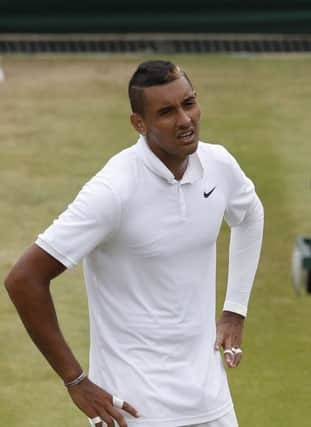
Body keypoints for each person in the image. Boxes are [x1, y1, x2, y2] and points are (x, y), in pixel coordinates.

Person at [4, 60, 264, 427]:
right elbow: (24, 279)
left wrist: (235, 309)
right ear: (139, 124)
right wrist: (76, 381)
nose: (185, 120)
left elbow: (251, 215)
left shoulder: (219, 165)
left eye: (188, 103)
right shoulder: (113, 191)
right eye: (166, 112)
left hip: (211, 402)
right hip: (135, 411)